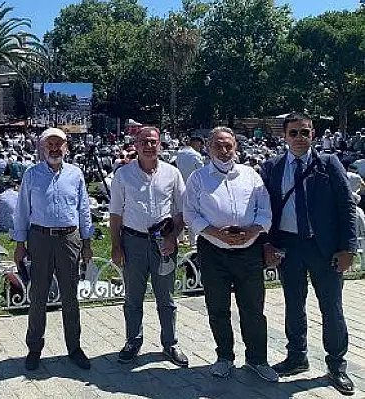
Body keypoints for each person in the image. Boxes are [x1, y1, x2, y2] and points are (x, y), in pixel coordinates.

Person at [262, 113, 357, 395]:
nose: (300, 138)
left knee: (332, 308)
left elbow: (346, 206)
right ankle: (296, 356)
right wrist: (268, 244)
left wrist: (348, 248)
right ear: (285, 136)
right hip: (289, 247)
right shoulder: (273, 167)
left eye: (305, 132)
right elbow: (267, 210)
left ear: (313, 134)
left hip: (323, 247)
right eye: (294, 133)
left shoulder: (329, 163)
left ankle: (337, 365)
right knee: (294, 304)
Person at [183, 127, 277, 382]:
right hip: (214, 250)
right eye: (218, 146)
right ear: (208, 147)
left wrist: (254, 231)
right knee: (218, 307)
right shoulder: (198, 178)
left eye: (228, 146)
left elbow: (264, 209)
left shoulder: (250, 175)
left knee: (253, 309)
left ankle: (257, 359)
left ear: (235, 146)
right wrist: (215, 232)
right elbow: (190, 213)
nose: (224, 151)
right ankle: (224, 357)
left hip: (249, 250)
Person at [12, 127, 94, 371]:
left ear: (66, 147)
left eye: (60, 144)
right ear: (42, 148)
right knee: (38, 296)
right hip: (40, 238)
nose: (55, 149)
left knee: (70, 296)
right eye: (50, 145)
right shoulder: (32, 174)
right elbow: (22, 211)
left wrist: (87, 242)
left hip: (70, 238)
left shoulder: (75, 174)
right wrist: (19, 244)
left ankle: (74, 347)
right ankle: (34, 347)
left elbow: (84, 209)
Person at [108, 126, 188, 368]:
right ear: (136, 144)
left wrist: (173, 236)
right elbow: (115, 213)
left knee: (166, 296)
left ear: (160, 144)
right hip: (133, 241)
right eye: (144, 141)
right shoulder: (123, 175)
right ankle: (133, 341)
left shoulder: (172, 174)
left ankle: (170, 343)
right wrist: (116, 246)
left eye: (153, 141)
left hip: (163, 242)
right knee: (133, 296)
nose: (149, 146)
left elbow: (181, 210)